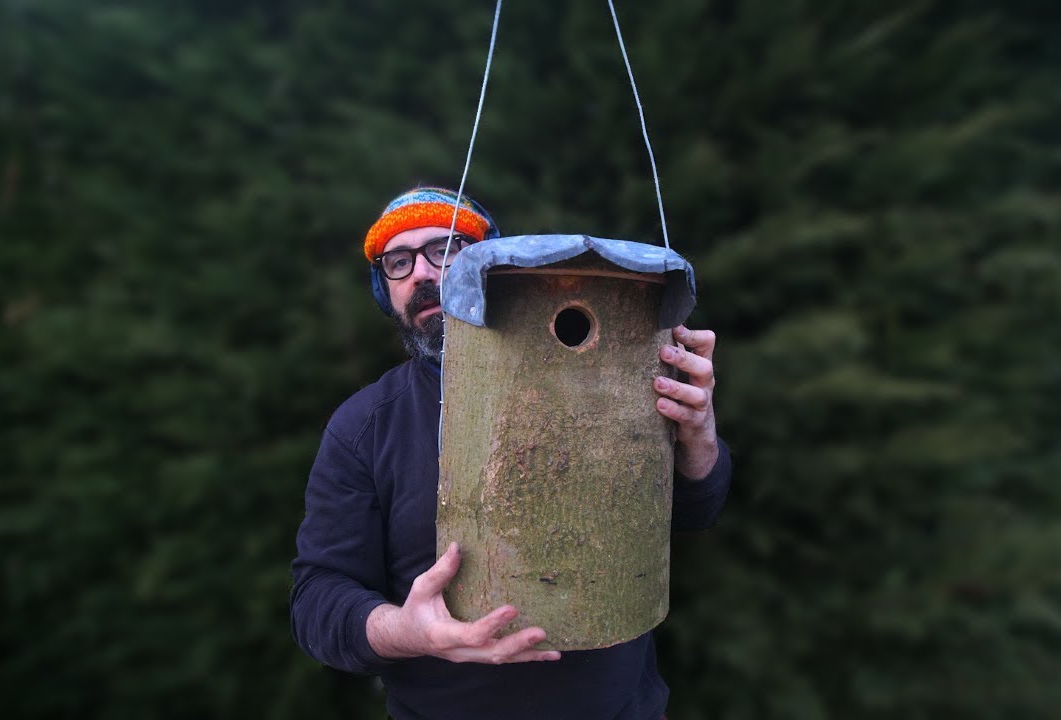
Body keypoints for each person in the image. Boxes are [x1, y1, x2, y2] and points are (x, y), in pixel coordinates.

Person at [290, 186, 732, 720]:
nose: (422, 273)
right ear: (384, 288)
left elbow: (695, 512)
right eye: (398, 261)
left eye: (445, 249)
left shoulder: (609, 372)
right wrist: (405, 631)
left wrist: (700, 435)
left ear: (494, 269)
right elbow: (317, 599)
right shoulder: (364, 427)